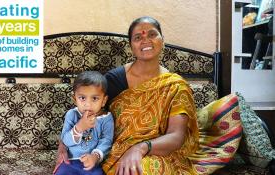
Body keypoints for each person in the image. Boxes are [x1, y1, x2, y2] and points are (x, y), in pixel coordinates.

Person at [56, 16, 199, 175]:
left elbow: (176, 136)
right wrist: (63, 147)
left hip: (158, 151)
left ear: (162, 40)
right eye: (138, 37)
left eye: (152, 34)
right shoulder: (114, 80)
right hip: (118, 153)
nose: (145, 40)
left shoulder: (175, 86)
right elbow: (84, 110)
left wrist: (141, 148)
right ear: (131, 46)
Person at [54, 71, 114, 175]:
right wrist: (79, 128)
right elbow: (65, 141)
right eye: (82, 98)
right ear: (75, 99)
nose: (87, 104)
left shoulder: (106, 118)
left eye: (94, 98)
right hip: (70, 161)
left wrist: (95, 157)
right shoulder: (72, 114)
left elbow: (106, 141)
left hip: (92, 163)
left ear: (104, 100)